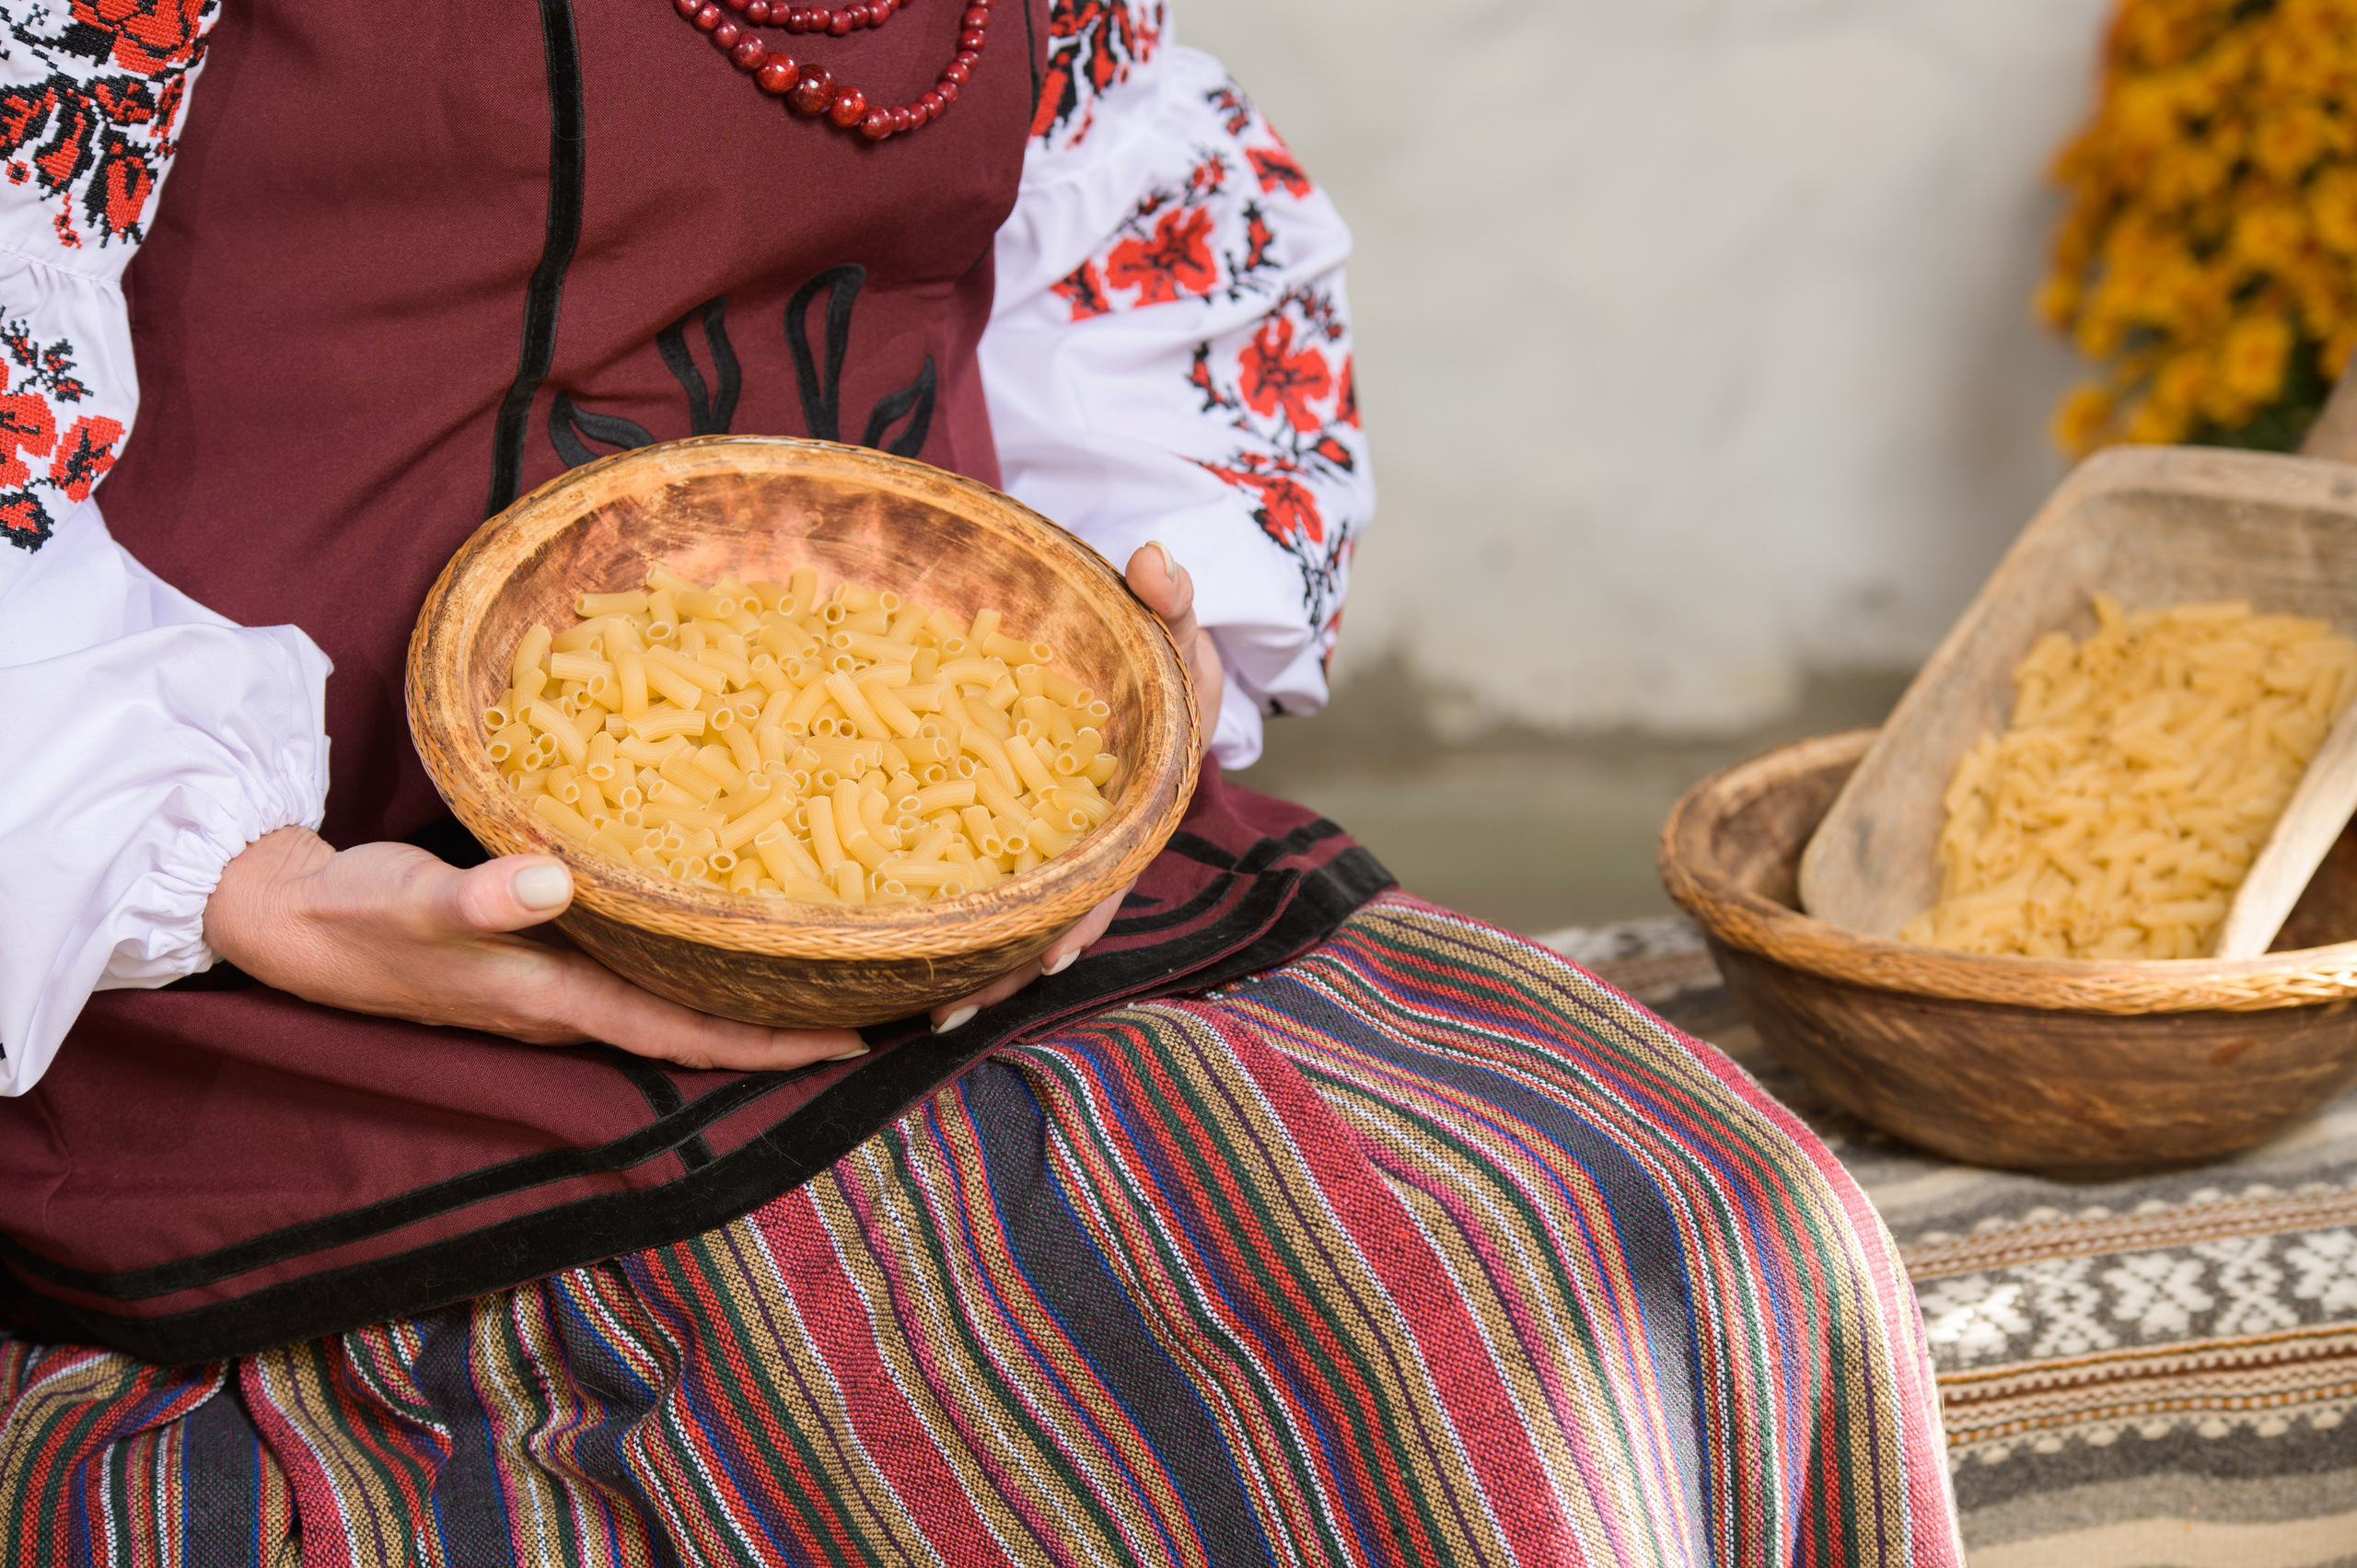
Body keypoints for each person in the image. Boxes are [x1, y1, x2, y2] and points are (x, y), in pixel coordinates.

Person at [0, 1, 1963, 1562]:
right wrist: (225, 876)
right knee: (1216, 1404)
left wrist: (1121, 653)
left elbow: (1100, 227)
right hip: (305, 947)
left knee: (1715, 1229)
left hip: (908, 833)